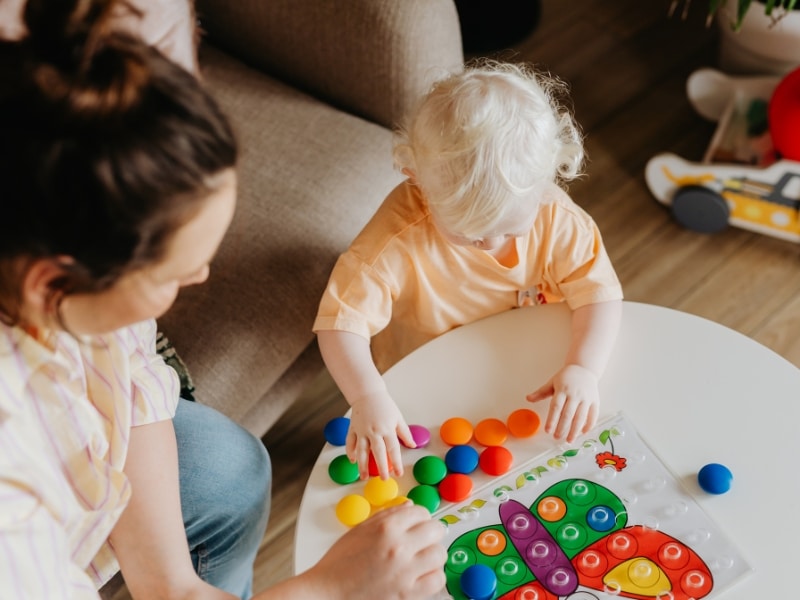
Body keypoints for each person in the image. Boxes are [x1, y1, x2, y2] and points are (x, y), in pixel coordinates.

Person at [0, 1, 446, 599]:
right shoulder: (13, 492)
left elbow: (128, 370)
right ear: (51, 284)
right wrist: (329, 591)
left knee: (229, 471)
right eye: (171, 274)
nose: (202, 275)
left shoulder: (53, 233)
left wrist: (175, 586)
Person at [314, 61, 624, 481]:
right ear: (417, 181)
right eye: (469, 235)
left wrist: (584, 367)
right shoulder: (395, 240)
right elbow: (339, 325)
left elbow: (599, 295)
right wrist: (368, 396)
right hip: (426, 366)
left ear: (546, 182)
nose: (492, 244)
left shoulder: (557, 217)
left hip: (526, 362)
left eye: (512, 229)